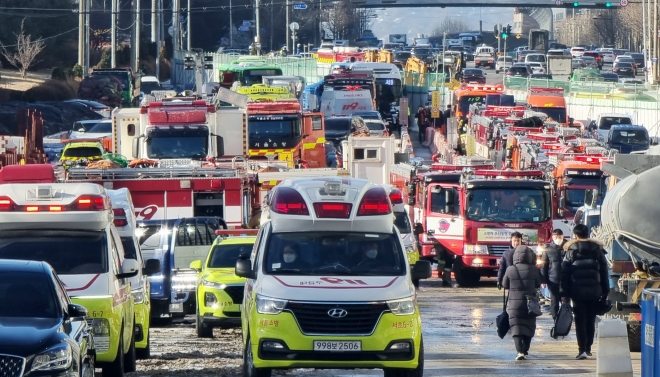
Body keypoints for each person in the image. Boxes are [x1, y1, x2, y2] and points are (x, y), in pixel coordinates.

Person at [560, 224, 610, 359]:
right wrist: (605, 291)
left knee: (580, 321)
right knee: (591, 320)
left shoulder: (570, 252)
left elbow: (564, 275)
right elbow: (604, 273)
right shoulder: (598, 251)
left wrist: (563, 293)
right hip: (594, 292)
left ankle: (582, 349)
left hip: (577, 293)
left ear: (575, 235)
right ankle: (588, 348)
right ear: (587, 234)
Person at [502, 245, 542, 360]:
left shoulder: (510, 269)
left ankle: (519, 351)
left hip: (514, 303)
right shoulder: (533, 269)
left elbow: (505, 284)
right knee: (529, 326)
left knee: (516, 327)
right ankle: (525, 349)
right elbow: (538, 284)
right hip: (530, 303)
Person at [540, 229, 566, 319]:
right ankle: (555, 319)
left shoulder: (568, 247)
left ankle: (565, 318)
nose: (558, 238)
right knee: (554, 301)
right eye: (556, 236)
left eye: (560, 236)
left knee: (565, 300)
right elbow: (544, 265)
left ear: (563, 236)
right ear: (552, 237)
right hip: (553, 279)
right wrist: (543, 280)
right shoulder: (548, 249)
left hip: (566, 279)